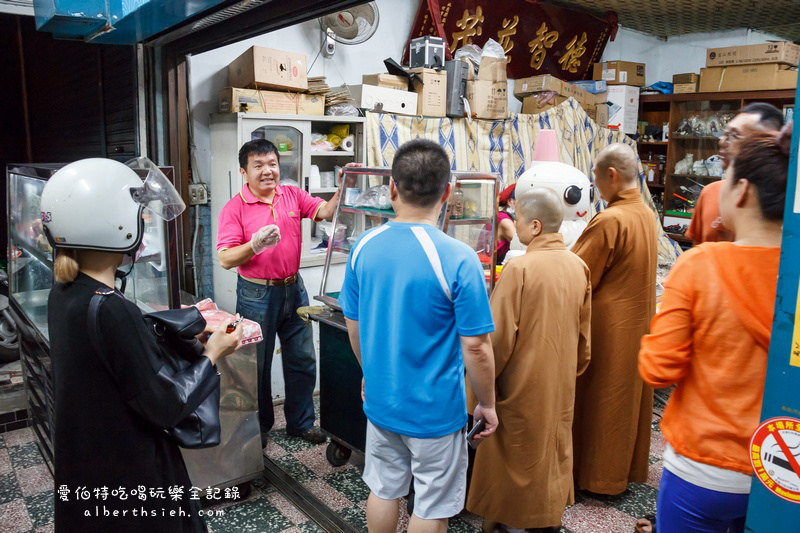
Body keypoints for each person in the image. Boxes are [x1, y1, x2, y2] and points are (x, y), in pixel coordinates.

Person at [42, 158, 242, 531]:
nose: (143, 223)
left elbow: (108, 361)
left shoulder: (66, 292)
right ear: (113, 224)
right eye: (138, 215)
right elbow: (166, 405)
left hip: (90, 462)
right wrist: (214, 353)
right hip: (131, 471)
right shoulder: (111, 308)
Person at [339, 139, 498, 533]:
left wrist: (370, 373)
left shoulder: (363, 247)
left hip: (382, 400)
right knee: (431, 502)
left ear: (392, 188)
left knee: (383, 487)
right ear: (448, 192)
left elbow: (353, 325)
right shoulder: (459, 258)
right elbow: (476, 346)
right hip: (435, 411)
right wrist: (488, 404)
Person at [639, 128, 790, 532]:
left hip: (703, 468)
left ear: (740, 191)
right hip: (780, 467)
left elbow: (658, 370)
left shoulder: (700, 265)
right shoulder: (793, 277)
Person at [467, 187, 591, 532]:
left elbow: (497, 341)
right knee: (551, 451)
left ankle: (514, 523)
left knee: (515, 455)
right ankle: (546, 517)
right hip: (560, 382)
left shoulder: (520, 269)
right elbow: (584, 340)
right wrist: (567, 370)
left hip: (519, 383)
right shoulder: (579, 265)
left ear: (534, 226)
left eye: (518, 218)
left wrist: (479, 392)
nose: (514, 224)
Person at [216, 139, 342, 445]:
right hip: (256, 294)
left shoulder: (292, 195)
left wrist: (343, 186)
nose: (267, 171)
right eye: (258, 165)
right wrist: (254, 245)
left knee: (302, 358)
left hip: (293, 288)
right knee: (256, 366)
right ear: (244, 171)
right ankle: (258, 428)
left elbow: (324, 211)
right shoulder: (235, 208)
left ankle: (300, 422)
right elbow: (225, 258)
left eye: (272, 163)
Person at [571, 143, 658, 495]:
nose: (595, 186)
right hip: (637, 324)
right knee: (626, 400)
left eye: (595, 177)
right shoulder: (645, 214)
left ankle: (597, 478)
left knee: (601, 401)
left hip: (608, 329)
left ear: (611, 175)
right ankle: (625, 470)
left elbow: (577, 274)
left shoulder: (611, 219)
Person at [686, 102, 784, 245]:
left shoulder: (782, 200)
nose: (722, 142)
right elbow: (697, 251)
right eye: (725, 134)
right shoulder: (710, 193)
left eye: (735, 136)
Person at [496, 184, 516, 263]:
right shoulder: (504, 220)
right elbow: (521, 245)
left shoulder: (504, 216)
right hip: (495, 264)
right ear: (510, 202)